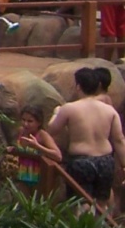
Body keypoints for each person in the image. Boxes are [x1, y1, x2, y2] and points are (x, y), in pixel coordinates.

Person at [47, 67, 125, 210]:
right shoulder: (109, 110)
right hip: (105, 161)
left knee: (81, 204)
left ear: (78, 86)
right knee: (102, 203)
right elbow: (119, 139)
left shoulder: (69, 108)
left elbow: (52, 130)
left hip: (81, 162)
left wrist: (55, 113)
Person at [8, 104, 62, 195]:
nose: (25, 124)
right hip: (21, 175)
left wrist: (37, 146)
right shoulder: (21, 131)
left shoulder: (42, 135)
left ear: (39, 122)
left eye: (30, 121)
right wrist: (14, 149)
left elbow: (58, 156)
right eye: (23, 120)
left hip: (38, 178)